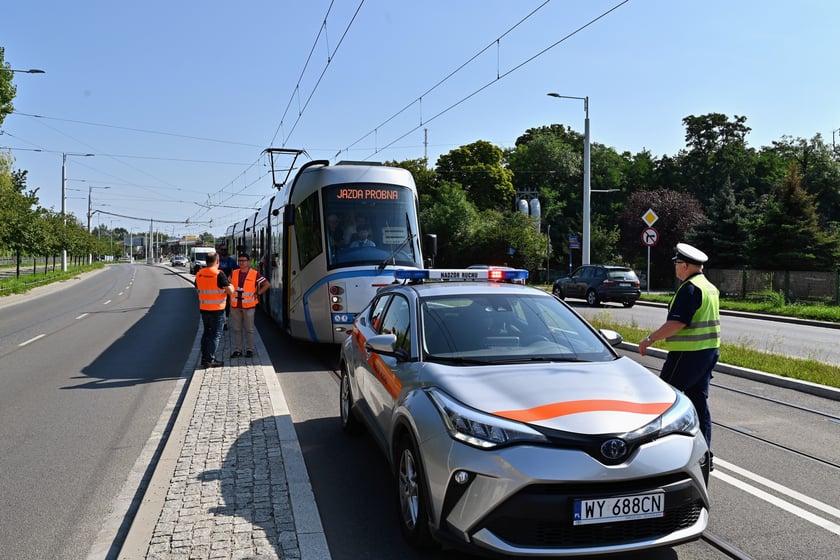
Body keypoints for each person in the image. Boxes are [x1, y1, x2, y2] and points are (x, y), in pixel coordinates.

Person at [638, 242, 720, 454]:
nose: (675, 267)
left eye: (677, 263)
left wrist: (650, 339)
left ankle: (657, 450)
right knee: (699, 403)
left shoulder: (690, 289)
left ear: (685, 265)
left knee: (664, 398)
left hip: (687, 355)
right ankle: (705, 453)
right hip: (708, 353)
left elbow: (677, 323)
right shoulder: (709, 287)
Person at [195, 251, 235, 368]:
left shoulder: (200, 273)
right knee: (215, 335)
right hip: (217, 310)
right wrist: (231, 285)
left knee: (206, 333)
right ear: (217, 261)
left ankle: (204, 358)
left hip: (204, 309)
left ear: (207, 261)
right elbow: (230, 291)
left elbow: (198, 286)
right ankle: (210, 360)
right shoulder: (219, 274)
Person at [229, 253, 269, 359]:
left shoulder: (255, 274)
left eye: (243, 261)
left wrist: (258, 293)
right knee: (237, 329)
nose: (241, 263)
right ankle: (238, 350)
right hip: (235, 305)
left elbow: (267, 284)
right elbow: (228, 285)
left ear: (248, 262)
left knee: (249, 329)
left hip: (249, 306)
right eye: (239, 261)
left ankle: (249, 350)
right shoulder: (234, 273)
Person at [217, 245, 237, 329]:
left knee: (227, 304)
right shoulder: (217, 260)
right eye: (222, 249)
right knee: (219, 304)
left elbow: (236, 271)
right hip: (217, 286)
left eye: (225, 249)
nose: (224, 251)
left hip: (227, 285)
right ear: (219, 250)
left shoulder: (231, 260)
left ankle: (225, 322)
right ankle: (219, 320)